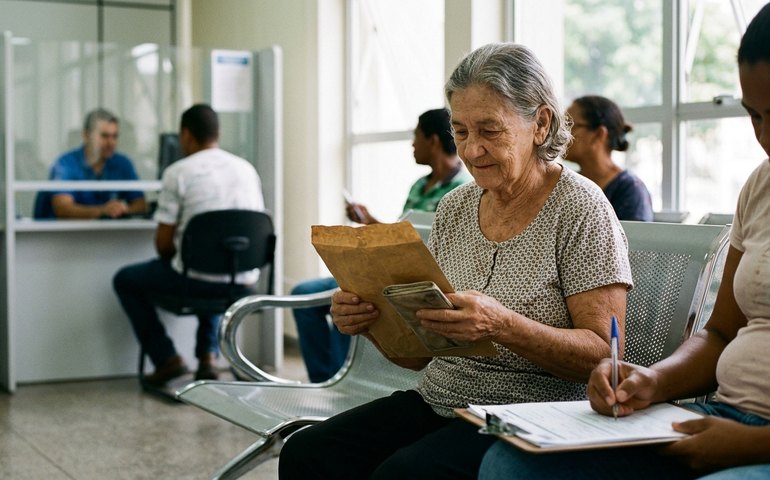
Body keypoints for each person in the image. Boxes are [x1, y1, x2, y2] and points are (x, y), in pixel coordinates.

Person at [278, 43, 633, 480]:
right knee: (308, 452)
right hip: (442, 397)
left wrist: (503, 325)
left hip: (533, 412)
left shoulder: (580, 208)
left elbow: (603, 354)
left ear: (540, 124)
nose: (472, 150)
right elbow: (421, 359)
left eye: (490, 130)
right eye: (461, 132)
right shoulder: (454, 208)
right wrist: (370, 322)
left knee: (405, 474)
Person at [478, 5, 770, 479]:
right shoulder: (761, 186)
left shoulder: (587, 201)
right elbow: (720, 334)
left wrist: (753, 446)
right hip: (725, 415)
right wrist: (653, 380)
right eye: (754, 115)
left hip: (753, 440)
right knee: (510, 464)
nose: (765, 138)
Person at [292, 107, 472, 383]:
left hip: (414, 280)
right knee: (304, 294)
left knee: (354, 299)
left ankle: (343, 379)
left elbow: (430, 250)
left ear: (433, 141)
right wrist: (369, 221)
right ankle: (324, 377)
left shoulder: (461, 192)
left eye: (416, 136)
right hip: (388, 267)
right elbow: (402, 237)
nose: (412, 144)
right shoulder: (419, 186)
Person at [113, 104, 265, 385]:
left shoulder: (178, 172)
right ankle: (207, 357)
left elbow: (163, 245)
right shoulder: (247, 170)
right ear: (217, 133)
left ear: (185, 135)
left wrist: (182, 257)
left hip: (197, 281)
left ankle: (166, 358)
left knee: (126, 279)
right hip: (243, 281)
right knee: (214, 264)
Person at [33, 108, 147, 219]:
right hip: (65, 236)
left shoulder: (122, 164)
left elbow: (141, 205)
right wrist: (103, 211)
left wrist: (123, 209)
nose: (111, 142)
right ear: (86, 135)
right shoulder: (66, 164)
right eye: (104, 136)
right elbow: (63, 208)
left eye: (115, 136)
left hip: (108, 236)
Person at [565, 95, 653, 221]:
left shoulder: (630, 190)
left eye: (569, 125)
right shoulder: (569, 185)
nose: (560, 133)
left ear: (599, 134)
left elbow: (637, 240)